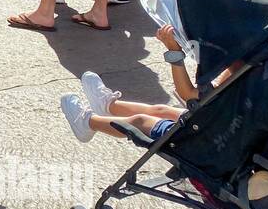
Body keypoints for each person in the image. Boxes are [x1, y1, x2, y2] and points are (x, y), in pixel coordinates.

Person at [59, 26, 224, 144]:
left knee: (140, 121)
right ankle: (109, 106)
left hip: (214, 141)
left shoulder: (243, 66)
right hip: (224, 124)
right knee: (162, 110)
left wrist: (174, 51)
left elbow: (187, 94)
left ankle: (88, 123)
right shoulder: (246, 67)